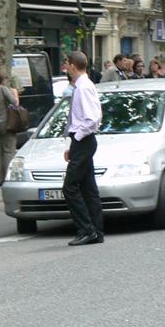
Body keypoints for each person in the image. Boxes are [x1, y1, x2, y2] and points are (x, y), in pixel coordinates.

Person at [62, 51, 104, 246]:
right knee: (88, 188)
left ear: (72, 65)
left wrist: (77, 139)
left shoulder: (84, 88)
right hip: (82, 141)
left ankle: (86, 229)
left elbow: (93, 118)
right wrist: (73, 144)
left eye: (66, 63)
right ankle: (96, 230)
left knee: (69, 187)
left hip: (84, 140)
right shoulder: (81, 86)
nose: (65, 67)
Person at [0, 71, 18, 187]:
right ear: (2, 80)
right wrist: (14, 93)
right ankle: (8, 177)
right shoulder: (3, 89)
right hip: (7, 123)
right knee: (8, 151)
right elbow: (14, 103)